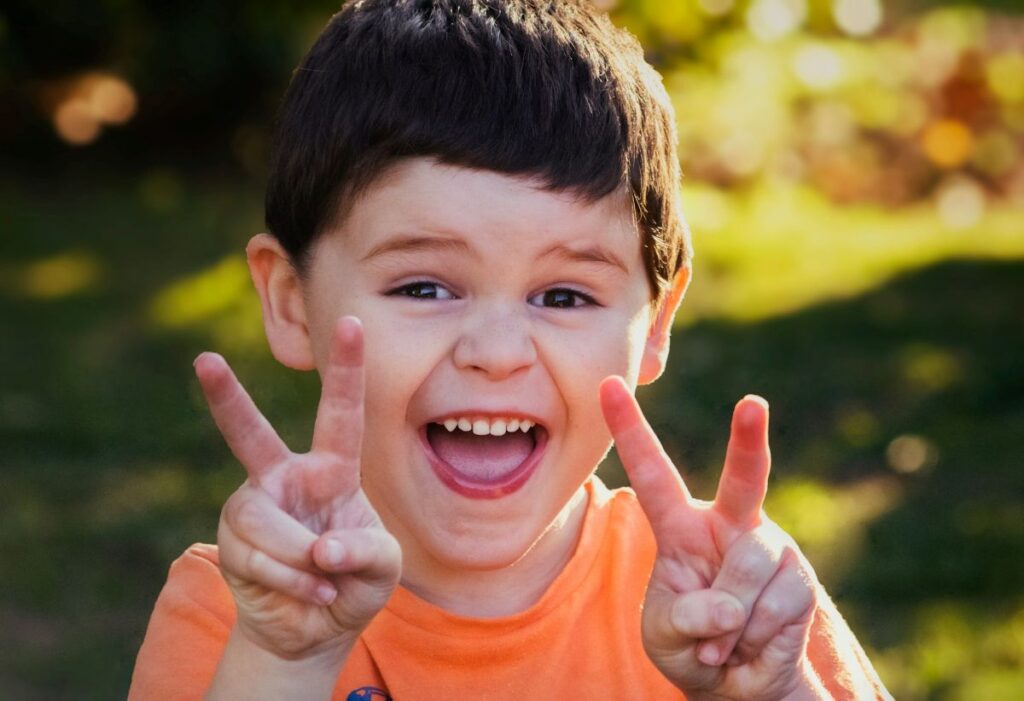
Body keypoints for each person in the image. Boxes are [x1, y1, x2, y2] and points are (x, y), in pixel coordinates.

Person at [129, 1, 892, 699]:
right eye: (424, 287)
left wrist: (774, 691)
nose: (496, 353)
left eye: (564, 296)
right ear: (293, 304)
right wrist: (286, 662)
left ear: (654, 326)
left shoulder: (732, 596)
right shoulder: (242, 616)